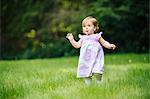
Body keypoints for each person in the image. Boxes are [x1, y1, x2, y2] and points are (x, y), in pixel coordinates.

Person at [66, 16, 116, 85]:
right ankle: (89, 87)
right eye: (84, 26)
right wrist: (71, 40)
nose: (86, 27)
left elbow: (104, 43)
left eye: (89, 26)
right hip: (85, 59)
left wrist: (109, 45)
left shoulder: (97, 36)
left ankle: (99, 82)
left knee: (98, 71)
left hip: (96, 58)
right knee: (86, 74)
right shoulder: (83, 38)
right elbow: (77, 45)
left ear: (95, 28)